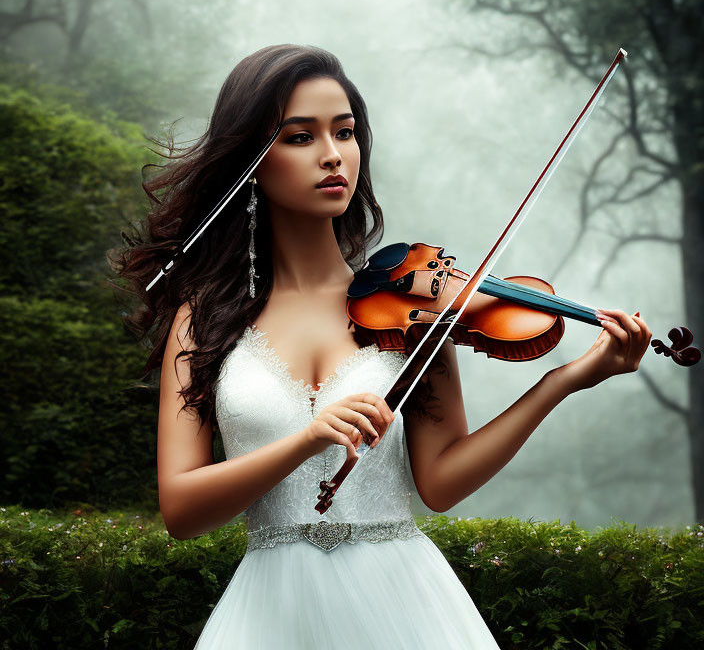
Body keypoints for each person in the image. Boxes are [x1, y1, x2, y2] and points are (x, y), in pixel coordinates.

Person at [111, 44, 651, 649]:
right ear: (252, 164)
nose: (332, 155)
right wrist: (307, 439)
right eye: (299, 137)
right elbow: (182, 511)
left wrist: (562, 381)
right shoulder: (204, 320)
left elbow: (440, 484)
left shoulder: (415, 310)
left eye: (345, 132)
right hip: (269, 615)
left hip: (406, 605)